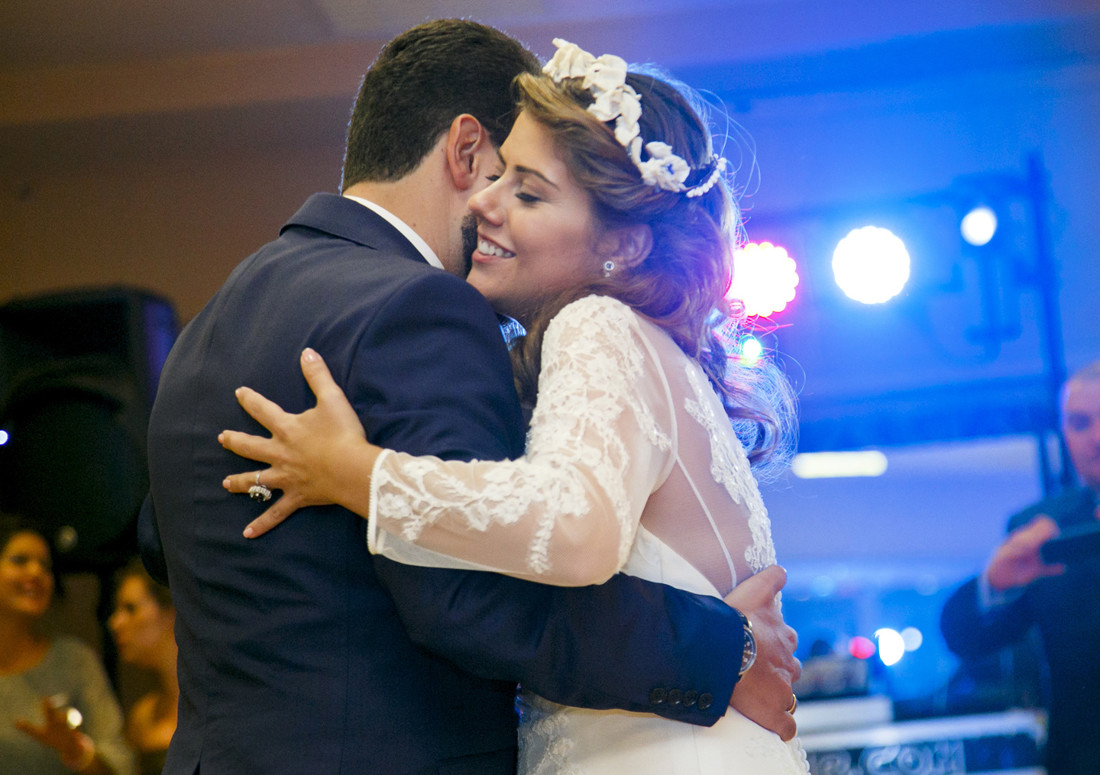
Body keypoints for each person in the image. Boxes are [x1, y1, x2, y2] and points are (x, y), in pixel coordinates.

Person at [139, 20, 800, 775]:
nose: (493, 207)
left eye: (528, 190)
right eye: (502, 176)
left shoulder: (211, 321)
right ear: (465, 150)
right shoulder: (422, 308)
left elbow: (165, 537)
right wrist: (724, 649)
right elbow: (474, 598)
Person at [941, 360, 1100, 775]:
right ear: (1064, 431)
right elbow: (968, 638)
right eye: (1080, 423)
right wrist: (992, 584)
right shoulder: (1040, 530)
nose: (1097, 437)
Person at [0, 514, 135, 775]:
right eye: (20, 561)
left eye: (46, 566)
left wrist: (77, 751)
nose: (36, 572)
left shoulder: (74, 661)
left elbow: (122, 766)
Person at [108, 559, 177, 775]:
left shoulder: (227, 709)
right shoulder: (142, 717)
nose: (115, 622)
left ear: (172, 611)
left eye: (130, 608)